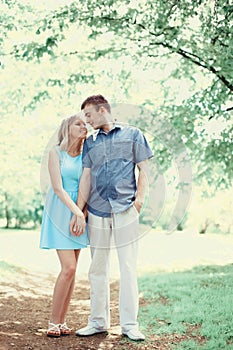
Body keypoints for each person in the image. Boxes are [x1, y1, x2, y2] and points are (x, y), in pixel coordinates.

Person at [70, 95, 153, 341]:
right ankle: (97, 322)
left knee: (127, 266)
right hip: (96, 211)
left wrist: (139, 200)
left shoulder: (133, 135)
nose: (86, 121)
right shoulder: (90, 142)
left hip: (125, 208)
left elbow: (144, 171)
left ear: (102, 109)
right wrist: (79, 211)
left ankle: (129, 325)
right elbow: (86, 177)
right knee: (97, 267)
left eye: (88, 115)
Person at [40, 115, 89, 337]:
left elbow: (88, 185)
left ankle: (61, 322)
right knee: (68, 268)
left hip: (79, 212)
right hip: (61, 211)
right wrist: (77, 213)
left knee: (73, 271)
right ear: (67, 128)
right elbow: (58, 188)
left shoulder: (86, 154)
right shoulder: (55, 153)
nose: (83, 126)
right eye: (78, 123)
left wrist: (82, 213)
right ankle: (52, 322)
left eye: (85, 124)